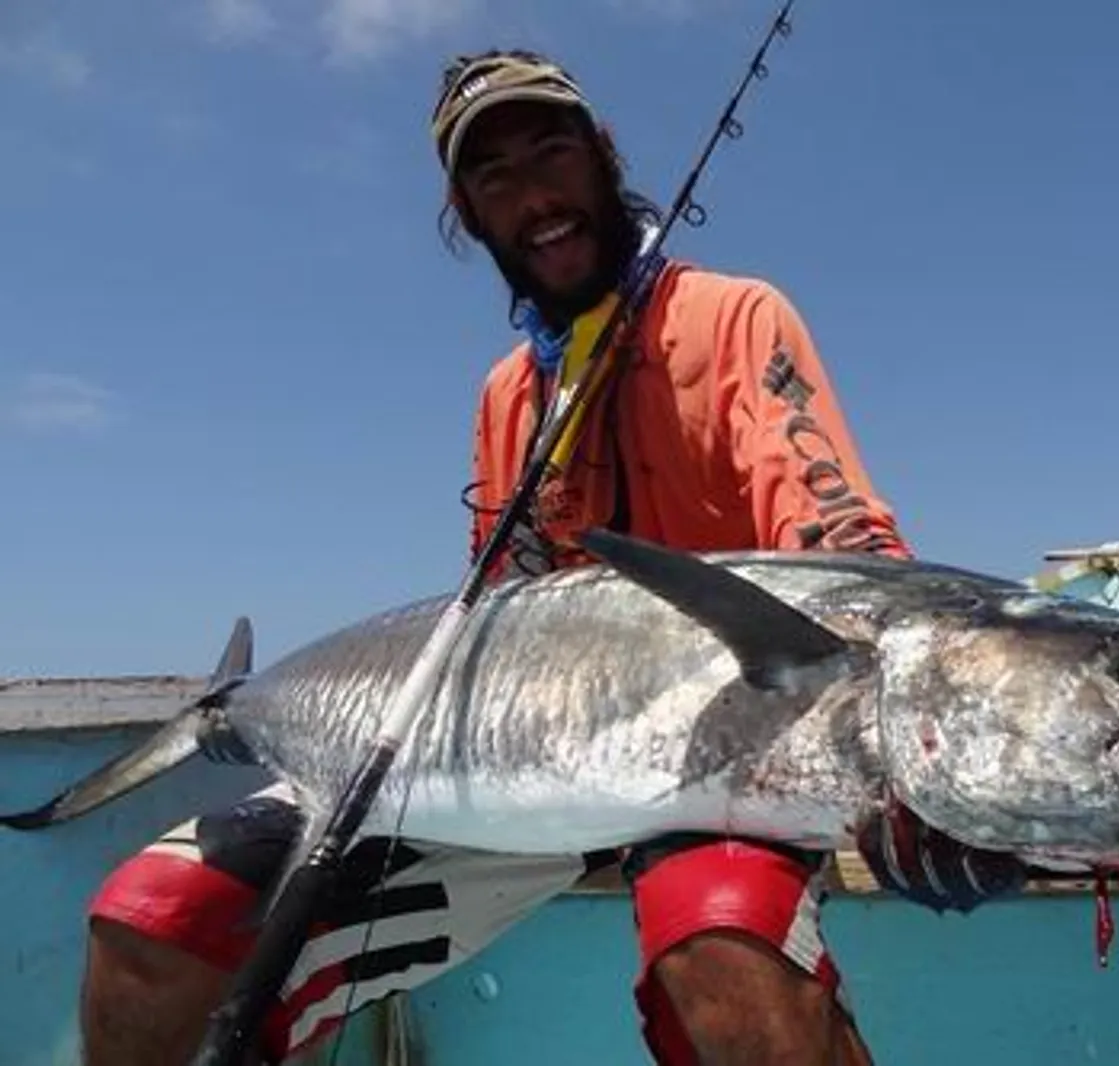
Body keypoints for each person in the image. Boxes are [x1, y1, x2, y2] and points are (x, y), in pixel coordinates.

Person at [77, 49, 1027, 1066]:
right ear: (467, 215)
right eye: (494, 179)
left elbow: (841, 545)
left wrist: (922, 760)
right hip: (526, 772)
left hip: (728, 760)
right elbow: (500, 613)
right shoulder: (505, 396)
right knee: (153, 917)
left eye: (552, 152)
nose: (534, 194)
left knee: (718, 929)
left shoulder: (734, 318)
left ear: (604, 155)